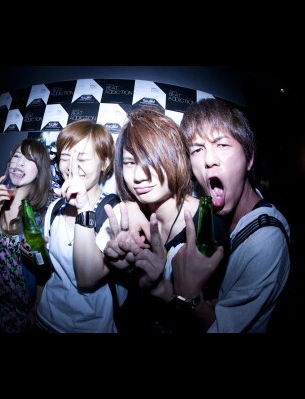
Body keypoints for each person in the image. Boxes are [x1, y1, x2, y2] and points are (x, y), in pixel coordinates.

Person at [124, 99, 290, 333]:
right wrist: (130, 206)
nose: (209, 160)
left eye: (222, 145)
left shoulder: (264, 242)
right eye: (197, 149)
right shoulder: (207, 209)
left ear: (249, 159)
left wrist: (189, 295)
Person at [102, 106, 230, 333]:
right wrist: (125, 270)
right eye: (130, 162)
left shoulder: (209, 230)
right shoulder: (134, 218)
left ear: (176, 157)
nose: (139, 176)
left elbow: (215, 321)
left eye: (151, 160)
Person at [34, 119, 127, 333]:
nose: (72, 166)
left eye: (82, 158)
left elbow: (86, 279)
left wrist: (83, 207)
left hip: (92, 326)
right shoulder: (55, 208)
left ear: (104, 163)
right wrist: (37, 252)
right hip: (46, 318)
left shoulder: (114, 212)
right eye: (65, 157)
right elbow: (51, 269)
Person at [0, 138, 51, 333]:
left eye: (29, 159)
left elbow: (43, 273)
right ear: (9, 163)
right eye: (17, 156)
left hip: (24, 312)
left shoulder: (41, 218)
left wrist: (36, 306)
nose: (20, 162)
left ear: (40, 171)